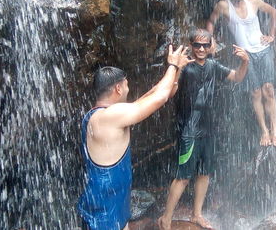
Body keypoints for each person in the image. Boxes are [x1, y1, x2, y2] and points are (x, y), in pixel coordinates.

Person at [77, 45, 193, 230]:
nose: (128, 89)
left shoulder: (107, 114)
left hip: (112, 208)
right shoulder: (108, 117)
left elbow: (156, 94)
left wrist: (177, 70)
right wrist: (171, 65)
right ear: (118, 88)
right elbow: (161, 97)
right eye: (126, 85)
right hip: (103, 216)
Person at [158, 29, 249, 230]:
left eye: (205, 45)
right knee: (182, 177)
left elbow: (237, 77)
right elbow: (170, 93)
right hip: (188, 130)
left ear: (210, 47)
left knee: (204, 173)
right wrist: (176, 68)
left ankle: (196, 214)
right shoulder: (185, 67)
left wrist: (245, 62)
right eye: (197, 45)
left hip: (208, 128)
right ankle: (166, 219)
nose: (201, 49)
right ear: (191, 45)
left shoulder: (213, 66)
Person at [206, 0, 276, 147]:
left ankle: (275, 132)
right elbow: (211, 21)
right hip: (245, 55)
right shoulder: (223, 6)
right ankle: (264, 131)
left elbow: (274, 12)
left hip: (263, 50)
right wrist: (210, 40)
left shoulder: (254, 1)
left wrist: (271, 35)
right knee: (255, 92)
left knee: (268, 89)